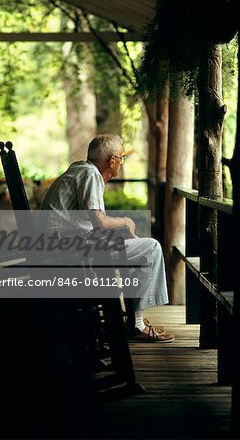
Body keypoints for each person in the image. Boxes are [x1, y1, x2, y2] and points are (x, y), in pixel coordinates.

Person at [41, 134, 174, 342]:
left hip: (61, 247)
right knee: (151, 248)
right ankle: (137, 324)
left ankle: (134, 319)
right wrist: (125, 221)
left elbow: (90, 224)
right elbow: (99, 222)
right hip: (69, 252)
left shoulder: (81, 171)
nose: (121, 162)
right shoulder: (91, 175)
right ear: (112, 160)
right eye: (121, 158)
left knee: (138, 250)